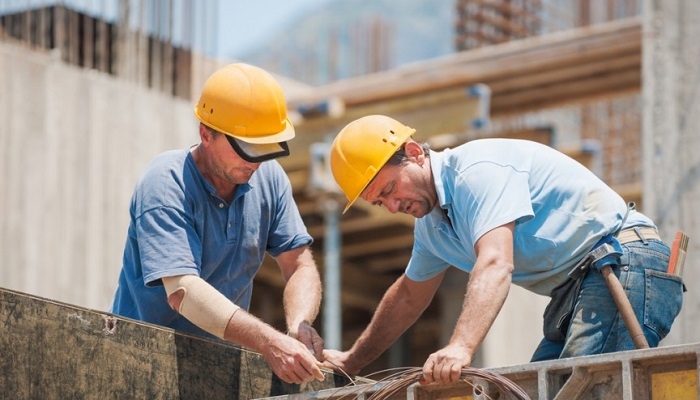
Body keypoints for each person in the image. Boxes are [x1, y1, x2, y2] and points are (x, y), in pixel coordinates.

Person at [322, 114, 685, 383]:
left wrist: (460, 347)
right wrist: (352, 362)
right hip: (583, 287)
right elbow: (407, 298)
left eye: (388, 190)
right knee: (532, 389)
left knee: (580, 388)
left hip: (625, 264)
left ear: (415, 153)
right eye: (378, 203)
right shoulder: (432, 228)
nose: (391, 205)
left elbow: (496, 262)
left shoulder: (476, 172)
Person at [110, 63, 325, 384]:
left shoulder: (270, 179)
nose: (256, 161)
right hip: (141, 364)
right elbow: (183, 292)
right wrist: (269, 342)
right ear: (206, 134)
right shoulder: (166, 182)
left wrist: (299, 325)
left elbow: (299, 265)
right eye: (246, 148)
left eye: (265, 147)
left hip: (219, 369)